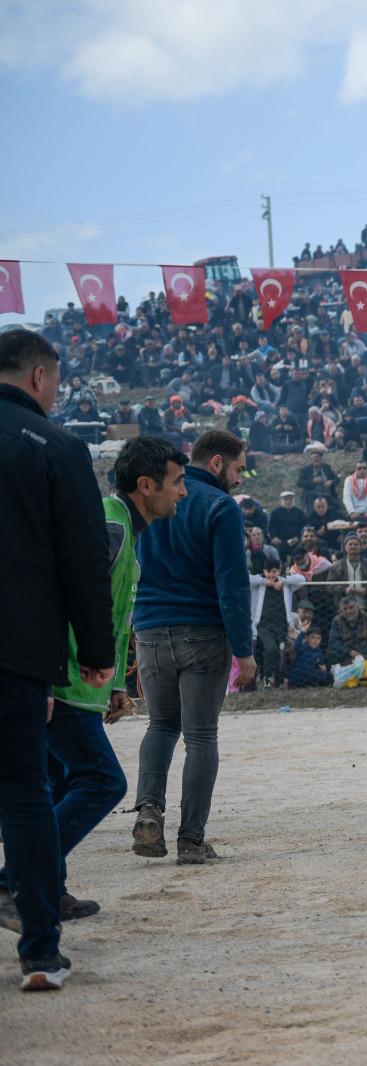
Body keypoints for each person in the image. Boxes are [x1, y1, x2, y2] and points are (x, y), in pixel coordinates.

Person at [2, 437, 188, 930]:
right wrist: (41, 678)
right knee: (103, 780)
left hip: (77, 685)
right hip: (59, 682)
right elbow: (60, 597)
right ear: (145, 485)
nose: (183, 493)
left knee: (58, 783)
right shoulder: (108, 523)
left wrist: (114, 687)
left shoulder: (121, 525)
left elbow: (109, 610)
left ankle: (48, 888)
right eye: (177, 482)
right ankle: (14, 880)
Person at [0, 329, 115, 991]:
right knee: (24, 796)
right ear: (41, 377)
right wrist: (95, 653)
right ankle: (40, 953)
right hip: (17, 650)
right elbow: (82, 560)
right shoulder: (58, 447)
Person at [131, 429, 255, 865]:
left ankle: (148, 811)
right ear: (217, 462)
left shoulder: (149, 501)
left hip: (148, 629)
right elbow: (232, 584)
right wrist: (245, 649)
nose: (240, 479)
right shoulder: (220, 506)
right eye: (239, 468)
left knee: (161, 726)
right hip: (202, 632)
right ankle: (191, 839)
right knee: (201, 736)